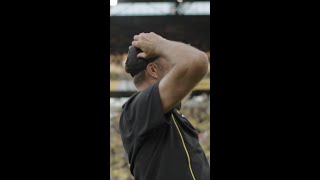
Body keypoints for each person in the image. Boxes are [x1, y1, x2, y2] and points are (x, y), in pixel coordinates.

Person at [119, 32, 210, 180]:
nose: (174, 62)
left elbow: (188, 78)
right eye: (168, 59)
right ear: (153, 70)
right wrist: (160, 44)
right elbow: (197, 61)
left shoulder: (165, 109)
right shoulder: (137, 106)